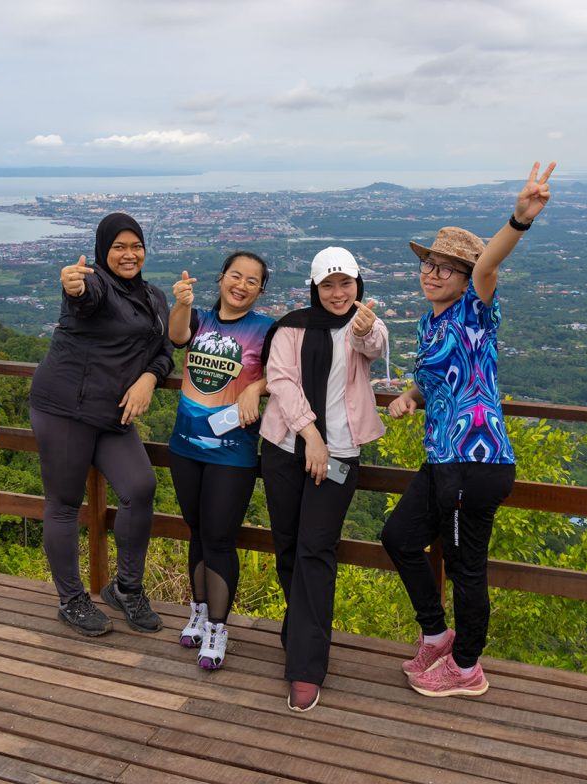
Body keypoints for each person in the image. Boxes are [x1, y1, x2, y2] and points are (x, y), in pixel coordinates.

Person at [381, 161, 555, 697]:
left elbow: (489, 269)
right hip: (443, 460)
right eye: (429, 264)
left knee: (465, 567)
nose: (433, 274)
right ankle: (436, 636)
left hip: (477, 463)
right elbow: (437, 381)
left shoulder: (475, 311)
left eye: (446, 268)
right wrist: (411, 396)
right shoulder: (429, 323)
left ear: (464, 278)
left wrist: (519, 219)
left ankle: (466, 666)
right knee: (399, 537)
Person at [28, 212, 174, 637]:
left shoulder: (153, 295)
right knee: (65, 503)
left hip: (112, 412)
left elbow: (164, 351)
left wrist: (149, 378)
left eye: (136, 246)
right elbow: (83, 295)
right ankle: (71, 599)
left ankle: (126, 589)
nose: (129, 255)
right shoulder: (93, 283)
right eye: (119, 247)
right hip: (65, 408)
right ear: (102, 251)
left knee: (140, 487)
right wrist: (72, 285)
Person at [259, 246, 388, 712]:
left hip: (340, 456)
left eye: (346, 284)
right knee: (289, 545)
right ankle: (300, 630)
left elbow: (374, 345)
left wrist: (365, 325)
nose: (338, 293)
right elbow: (281, 380)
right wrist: (311, 435)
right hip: (283, 448)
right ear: (314, 288)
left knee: (316, 549)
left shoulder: (363, 325)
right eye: (328, 285)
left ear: (358, 285)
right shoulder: (292, 326)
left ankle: (306, 667)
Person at [167, 252, 274, 670]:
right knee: (196, 530)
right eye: (235, 275)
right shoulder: (199, 318)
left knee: (219, 538)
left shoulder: (266, 329)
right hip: (185, 445)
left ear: (260, 290)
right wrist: (181, 303)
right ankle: (197, 610)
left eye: (252, 280)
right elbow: (177, 337)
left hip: (234, 453)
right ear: (222, 278)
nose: (242, 284)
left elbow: (284, 371)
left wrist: (256, 388)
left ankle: (217, 627)